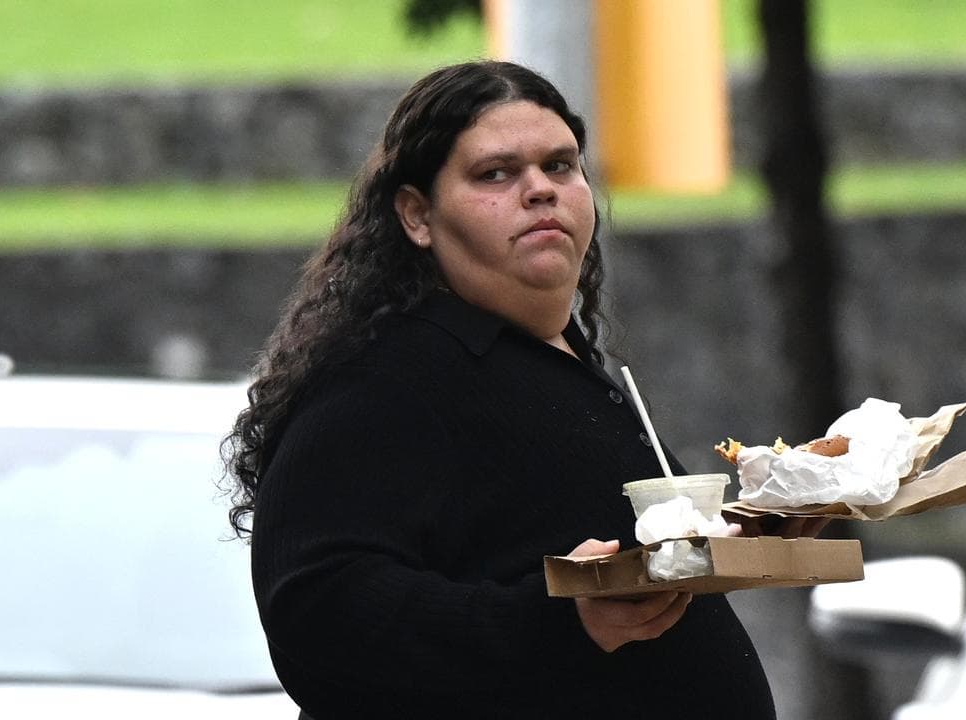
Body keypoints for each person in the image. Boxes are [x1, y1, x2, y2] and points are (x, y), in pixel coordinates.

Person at [223, 60, 779, 718]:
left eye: (561, 165)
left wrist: (778, 517)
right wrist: (557, 620)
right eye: (496, 173)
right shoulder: (387, 377)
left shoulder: (563, 361)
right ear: (417, 216)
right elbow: (319, 615)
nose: (540, 189)